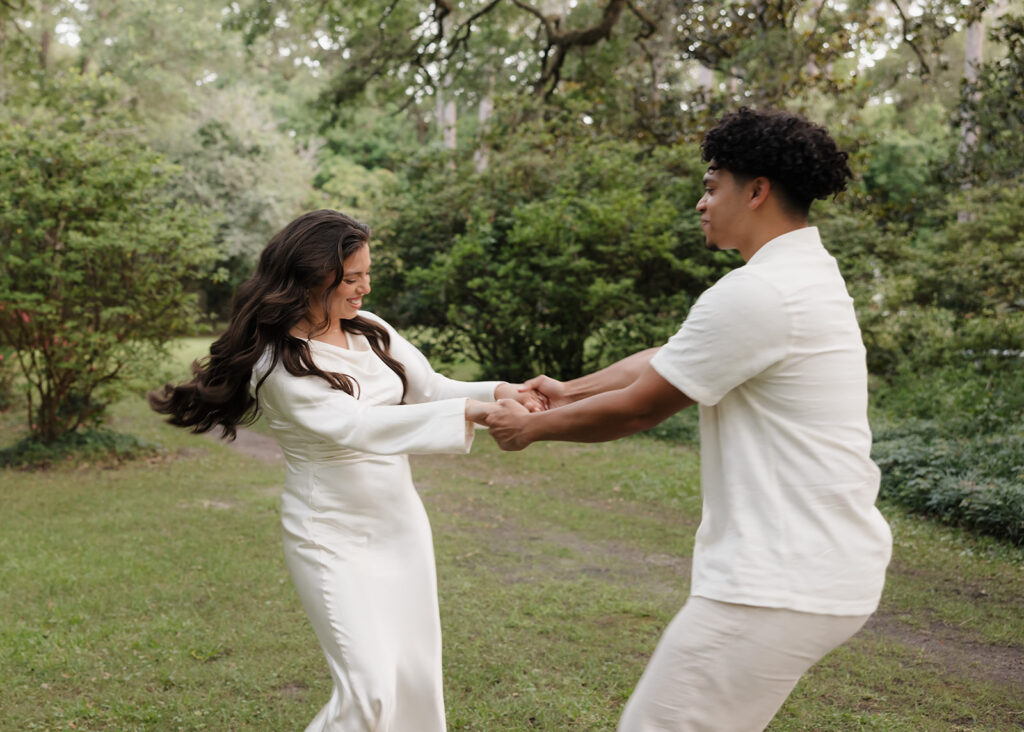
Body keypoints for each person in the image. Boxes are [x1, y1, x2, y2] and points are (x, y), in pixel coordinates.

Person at [479, 108, 893, 731]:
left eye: (711, 185)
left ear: (755, 192)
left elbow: (644, 403)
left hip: (778, 580)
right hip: (811, 569)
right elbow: (664, 361)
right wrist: (566, 394)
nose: (701, 203)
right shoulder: (798, 274)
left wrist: (531, 427)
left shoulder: (761, 292)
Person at [149, 209, 540, 732]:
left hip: (399, 525)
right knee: (369, 692)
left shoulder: (372, 331)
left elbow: (430, 387)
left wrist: (497, 392)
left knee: (414, 679)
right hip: (330, 535)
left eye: (367, 274)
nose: (364, 289)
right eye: (351, 278)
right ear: (310, 279)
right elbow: (357, 426)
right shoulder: (278, 364)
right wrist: (471, 415)